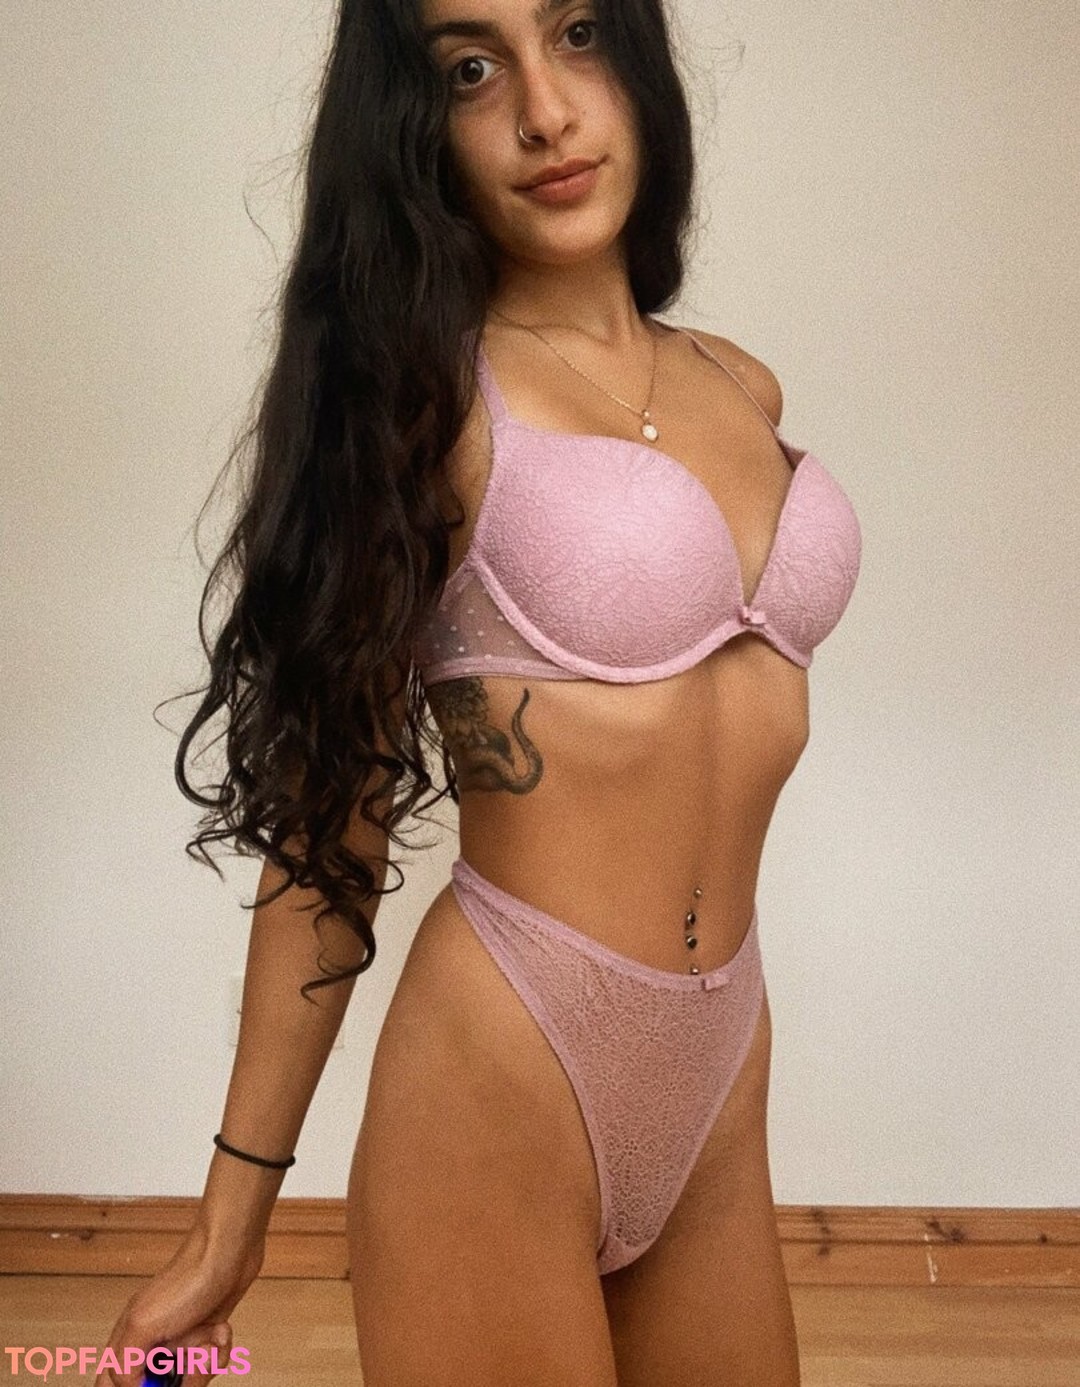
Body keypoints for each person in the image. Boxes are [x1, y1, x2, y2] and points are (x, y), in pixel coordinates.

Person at [97, 0, 862, 1383]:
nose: (544, 111)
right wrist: (229, 1223)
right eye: (469, 68)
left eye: (576, 34)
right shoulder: (425, 407)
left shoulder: (738, 386)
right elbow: (328, 823)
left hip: (717, 1066)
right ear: (413, 128)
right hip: (503, 1064)